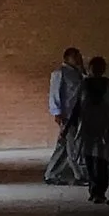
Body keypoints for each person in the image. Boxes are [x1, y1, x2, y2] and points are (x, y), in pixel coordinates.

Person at [73, 54, 109, 201]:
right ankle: (93, 190)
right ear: (89, 69)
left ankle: (100, 191)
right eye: (94, 68)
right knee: (89, 160)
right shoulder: (84, 85)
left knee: (102, 162)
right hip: (87, 128)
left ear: (103, 69)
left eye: (99, 68)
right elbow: (77, 107)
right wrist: (69, 127)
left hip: (104, 128)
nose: (96, 70)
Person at [45, 45, 86, 185]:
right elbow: (54, 94)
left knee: (63, 145)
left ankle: (51, 173)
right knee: (72, 145)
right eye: (76, 56)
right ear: (67, 58)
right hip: (67, 114)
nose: (79, 59)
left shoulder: (78, 73)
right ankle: (79, 175)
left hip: (77, 113)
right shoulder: (60, 73)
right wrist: (57, 112)